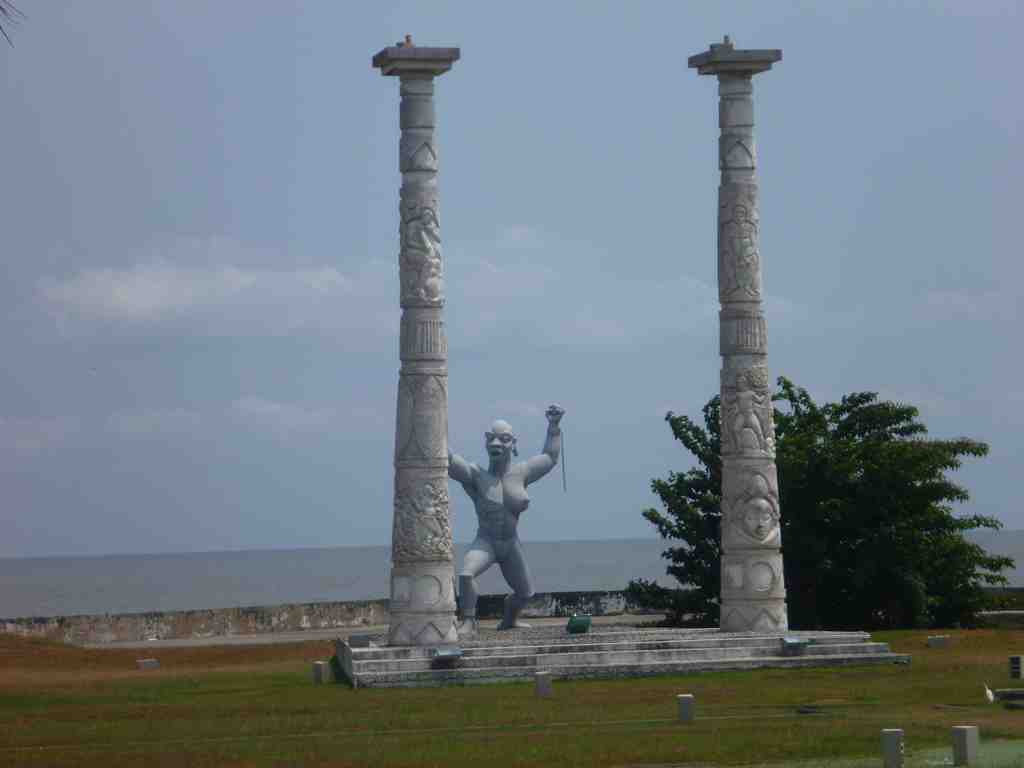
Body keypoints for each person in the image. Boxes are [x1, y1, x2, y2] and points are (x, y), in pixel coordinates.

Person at [448, 404, 564, 636]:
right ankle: (468, 620)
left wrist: (553, 427)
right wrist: (434, 424)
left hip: (510, 544)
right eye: (490, 438)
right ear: (485, 443)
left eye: (504, 439)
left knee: (525, 593)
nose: (496, 444)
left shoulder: (523, 472)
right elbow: (449, 460)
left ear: (513, 443)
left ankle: (510, 620)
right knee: (466, 574)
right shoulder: (476, 475)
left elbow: (550, 458)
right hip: (486, 541)